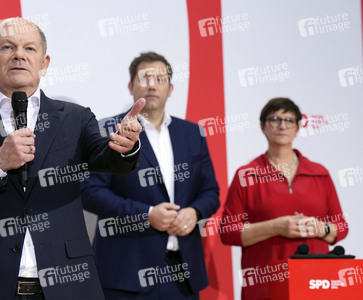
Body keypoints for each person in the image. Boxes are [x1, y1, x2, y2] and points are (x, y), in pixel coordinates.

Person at [0, 18, 146, 300]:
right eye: (7, 47)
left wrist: (125, 148)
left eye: (29, 48)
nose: (19, 55)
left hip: (68, 287)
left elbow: (106, 157)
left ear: (45, 61)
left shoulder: (75, 118)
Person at [81, 51, 220, 300]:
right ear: (130, 86)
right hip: (126, 272)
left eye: (160, 79)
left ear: (171, 87)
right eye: (145, 78)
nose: (152, 85)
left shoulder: (192, 133)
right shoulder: (109, 130)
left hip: (183, 273)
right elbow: (90, 192)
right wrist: (147, 215)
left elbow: (211, 192)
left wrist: (194, 212)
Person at [220, 98, 349, 300]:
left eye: (289, 120)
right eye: (274, 119)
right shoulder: (247, 175)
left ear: (298, 127)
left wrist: (321, 228)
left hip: (316, 284)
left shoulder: (319, 173)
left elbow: (341, 226)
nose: (282, 125)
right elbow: (228, 232)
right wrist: (276, 227)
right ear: (262, 127)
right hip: (265, 287)